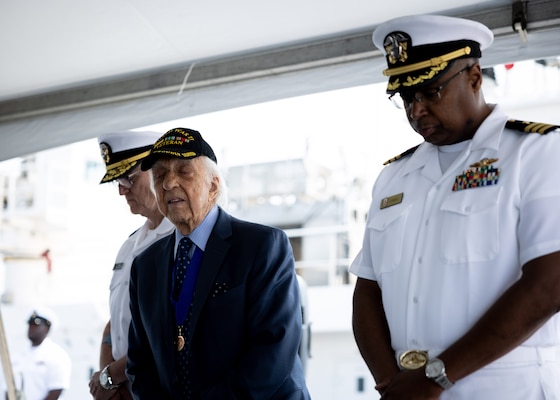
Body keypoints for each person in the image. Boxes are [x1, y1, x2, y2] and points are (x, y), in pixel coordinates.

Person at [350, 14, 560, 400]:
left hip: (504, 389)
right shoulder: (394, 177)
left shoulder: (538, 151)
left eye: (430, 92)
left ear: (475, 77)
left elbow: (549, 283)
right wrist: (391, 385)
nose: (417, 111)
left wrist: (434, 378)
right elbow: (368, 290)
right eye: (407, 98)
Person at [126, 127, 311, 399]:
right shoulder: (144, 267)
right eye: (160, 175)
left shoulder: (262, 247)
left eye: (184, 171)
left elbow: (273, 350)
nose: (168, 183)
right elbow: (139, 364)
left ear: (213, 186)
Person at [88, 131, 175, 400]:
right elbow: (117, 319)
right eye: (117, 180)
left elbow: (168, 330)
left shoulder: (179, 242)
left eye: (128, 178)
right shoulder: (129, 246)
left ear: (158, 172)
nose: (121, 190)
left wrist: (113, 375)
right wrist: (109, 380)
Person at [10, 307, 71, 400]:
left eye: (36, 324)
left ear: (47, 328)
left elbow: (56, 391)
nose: (31, 327)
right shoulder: (19, 356)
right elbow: (9, 388)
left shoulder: (57, 355)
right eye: (30, 324)